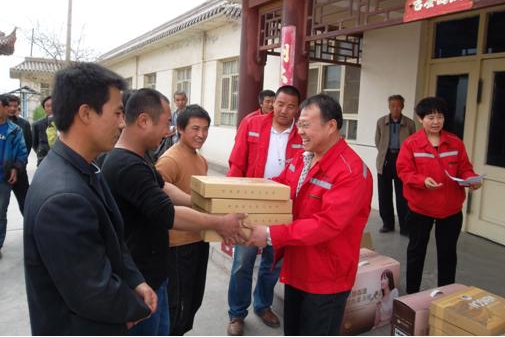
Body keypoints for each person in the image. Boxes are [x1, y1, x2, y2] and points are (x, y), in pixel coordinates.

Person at [23, 63, 157, 335]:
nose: (122, 123)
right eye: (117, 113)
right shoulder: (63, 198)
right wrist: (136, 308)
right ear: (85, 113)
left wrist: (135, 280)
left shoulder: (85, 167)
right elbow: (91, 291)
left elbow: (113, 241)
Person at [101, 88, 246, 336]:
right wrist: (219, 223)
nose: (168, 130)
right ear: (144, 121)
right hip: (141, 278)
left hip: (154, 273)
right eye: (166, 122)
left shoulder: (140, 159)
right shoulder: (126, 166)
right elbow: (169, 214)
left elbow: (163, 187)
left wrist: (200, 204)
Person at [246, 94, 373, 336]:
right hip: (297, 267)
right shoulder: (304, 157)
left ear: (331, 126)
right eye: (299, 124)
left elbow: (327, 224)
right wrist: (241, 201)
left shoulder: (351, 172)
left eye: (305, 125)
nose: (300, 131)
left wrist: (270, 234)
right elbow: (279, 187)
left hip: (326, 277)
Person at [226, 85, 303, 336]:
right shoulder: (253, 124)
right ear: (272, 103)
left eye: (291, 106)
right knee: (243, 261)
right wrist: (231, 202)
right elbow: (237, 163)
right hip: (250, 203)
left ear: (297, 109)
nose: (284, 110)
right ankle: (237, 313)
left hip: (282, 206)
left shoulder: (302, 134)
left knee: (273, 262)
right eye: (280, 103)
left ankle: (263, 305)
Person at [396, 96, 482, 294]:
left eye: (440, 117)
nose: (436, 122)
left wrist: (472, 179)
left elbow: (465, 168)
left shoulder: (455, 143)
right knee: (416, 252)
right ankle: (412, 294)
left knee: (447, 254)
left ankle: (446, 294)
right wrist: (422, 181)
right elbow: (404, 171)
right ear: (420, 119)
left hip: (450, 209)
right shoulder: (411, 144)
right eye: (430, 117)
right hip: (420, 208)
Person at [155, 104, 212, 335]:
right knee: (177, 305)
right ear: (180, 128)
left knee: (193, 300)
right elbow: (158, 196)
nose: (201, 134)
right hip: (178, 245)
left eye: (205, 129)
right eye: (195, 128)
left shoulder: (201, 160)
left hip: (199, 238)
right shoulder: (169, 160)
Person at [375, 94, 416, 235]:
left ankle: (405, 227)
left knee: (403, 196)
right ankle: (387, 224)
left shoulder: (410, 123)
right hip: (386, 160)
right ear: (389, 106)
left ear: (403, 107)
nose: (395, 108)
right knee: (384, 194)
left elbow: (413, 143)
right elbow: (377, 141)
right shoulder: (381, 122)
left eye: (398, 106)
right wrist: (384, 153)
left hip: (403, 161)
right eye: (392, 106)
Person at [0, 94, 28, 258]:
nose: (11, 108)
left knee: (0, 212)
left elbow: (23, 151)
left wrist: (16, 168)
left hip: (4, 178)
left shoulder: (15, 130)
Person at [6, 94, 32, 215]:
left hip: (19, 172)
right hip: (1, 172)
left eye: (15, 106)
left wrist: (18, 167)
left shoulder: (24, 124)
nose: (12, 108)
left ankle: (30, 226)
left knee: (26, 203)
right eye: (9, 105)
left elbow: (28, 146)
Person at [32, 95, 52, 166]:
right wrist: (41, 150)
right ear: (44, 108)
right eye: (48, 106)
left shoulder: (65, 123)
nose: (51, 108)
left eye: (53, 105)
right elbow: (34, 144)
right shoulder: (37, 124)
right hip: (43, 159)